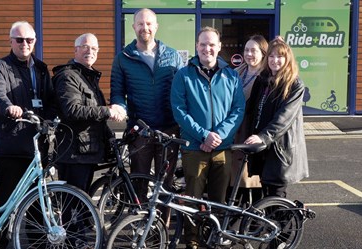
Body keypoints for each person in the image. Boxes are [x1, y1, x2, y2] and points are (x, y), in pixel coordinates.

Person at [171, 26, 245, 249]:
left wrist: (219, 136)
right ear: (197, 46)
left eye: (212, 44)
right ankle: (192, 241)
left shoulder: (231, 75)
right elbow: (179, 110)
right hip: (194, 148)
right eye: (203, 44)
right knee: (193, 200)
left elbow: (238, 109)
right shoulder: (183, 75)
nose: (207, 49)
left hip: (223, 148)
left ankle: (214, 239)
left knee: (218, 201)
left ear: (219, 46)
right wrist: (204, 135)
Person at [110, 8, 184, 224]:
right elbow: (116, 90)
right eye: (140, 24)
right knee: (139, 181)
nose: (145, 28)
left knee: (166, 183)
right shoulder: (123, 58)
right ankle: (140, 226)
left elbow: (182, 90)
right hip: (139, 130)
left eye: (149, 23)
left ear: (156, 26)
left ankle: (162, 225)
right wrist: (119, 106)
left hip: (168, 129)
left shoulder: (172, 55)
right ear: (133, 27)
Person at [0, 21, 56, 248]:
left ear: (34, 41)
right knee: (6, 198)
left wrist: (55, 119)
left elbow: (50, 101)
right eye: (19, 40)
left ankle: (37, 243)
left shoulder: (41, 69)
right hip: (12, 145)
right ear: (11, 41)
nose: (24, 44)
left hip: (37, 146)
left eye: (29, 40)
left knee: (38, 201)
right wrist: (8, 107)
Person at [52, 33, 124, 194]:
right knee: (73, 205)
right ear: (75, 50)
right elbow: (73, 110)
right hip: (73, 153)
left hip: (86, 151)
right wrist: (108, 111)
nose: (89, 51)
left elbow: (96, 119)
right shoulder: (68, 76)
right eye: (85, 47)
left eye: (94, 48)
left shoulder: (88, 77)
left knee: (82, 204)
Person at [244, 36, 309, 198]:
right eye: (271, 56)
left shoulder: (294, 84)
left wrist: (263, 137)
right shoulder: (263, 80)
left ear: (287, 59)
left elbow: (284, 118)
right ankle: (263, 223)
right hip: (262, 146)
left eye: (280, 56)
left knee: (276, 194)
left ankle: (284, 221)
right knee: (263, 192)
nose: (275, 60)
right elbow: (250, 109)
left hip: (279, 147)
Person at [229, 35, 268, 207]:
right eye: (246, 50)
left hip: (250, 129)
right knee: (234, 173)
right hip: (234, 128)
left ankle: (253, 214)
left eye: (254, 50)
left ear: (263, 53)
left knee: (249, 177)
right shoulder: (238, 72)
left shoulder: (266, 76)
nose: (249, 54)